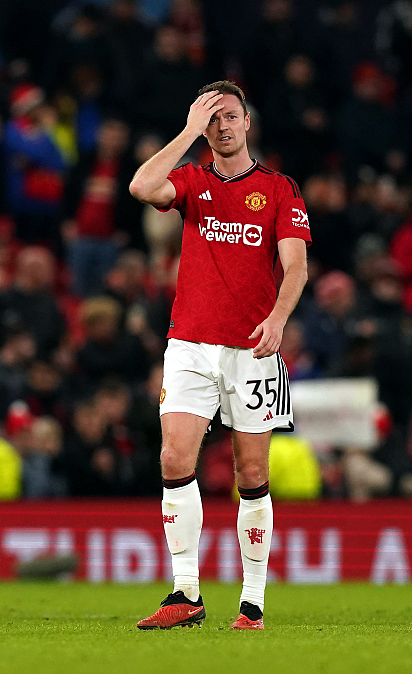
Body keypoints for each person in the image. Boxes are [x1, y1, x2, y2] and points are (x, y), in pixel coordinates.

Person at [129, 81, 310, 631]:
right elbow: (141, 185)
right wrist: (185, 130)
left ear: (247, 122)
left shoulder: (279, 189)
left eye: (229, 116)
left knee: (250, 471)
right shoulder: (192, 181)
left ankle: (251, 602)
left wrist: (277, 319)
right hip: (188, 344)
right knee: (173, 458)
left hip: (253, 350)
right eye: (212, 121)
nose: (222, 127)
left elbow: (296, 265)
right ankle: (186, 594)